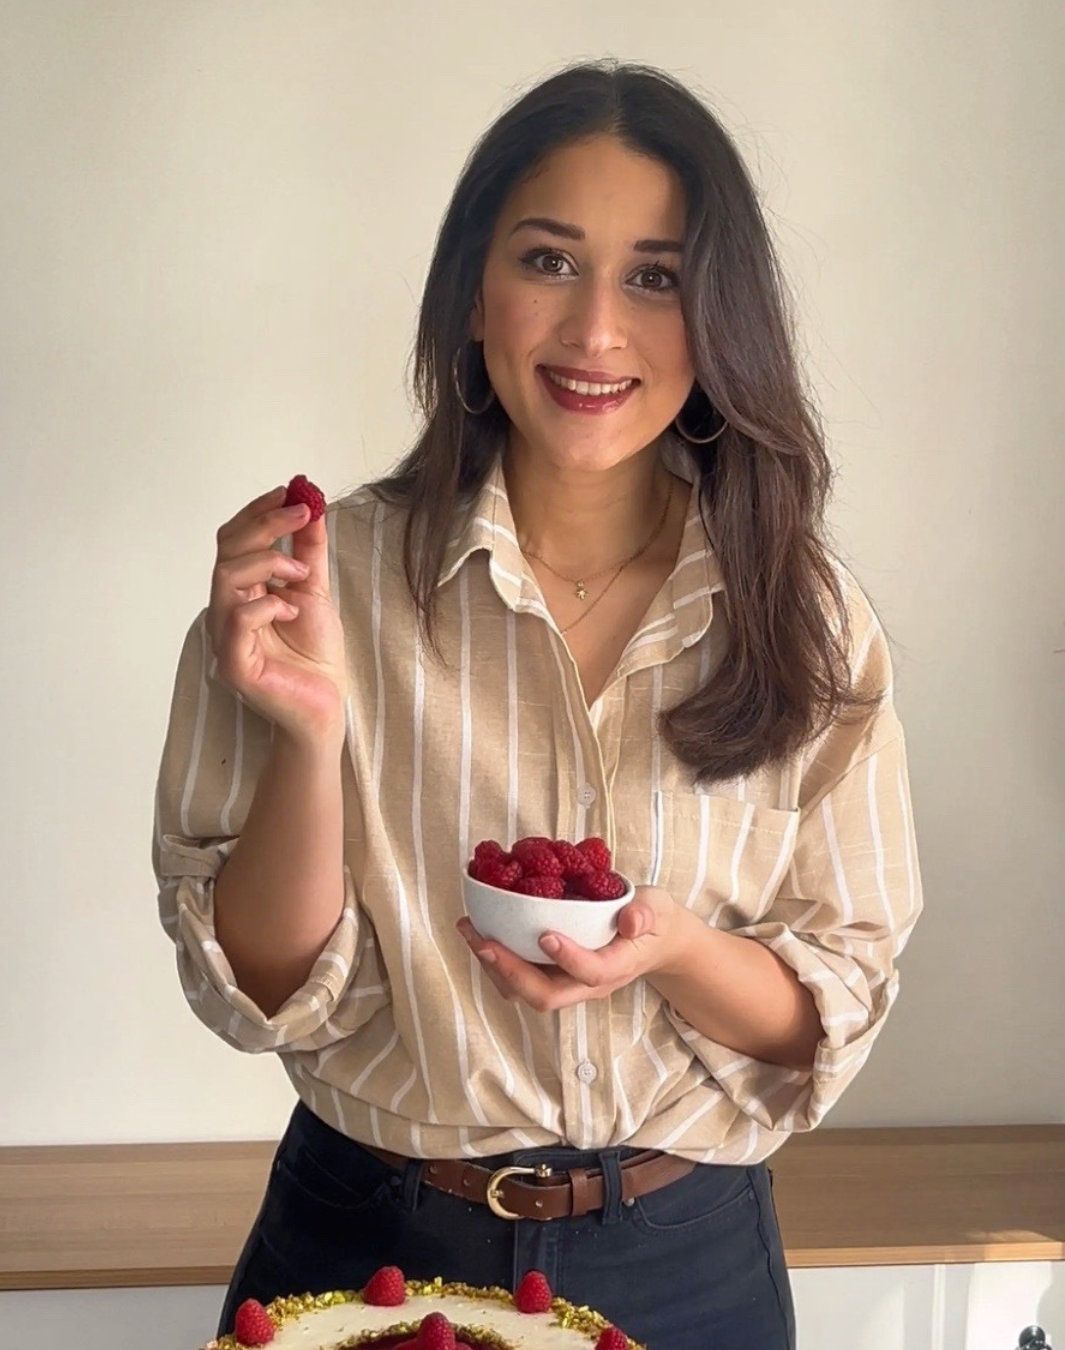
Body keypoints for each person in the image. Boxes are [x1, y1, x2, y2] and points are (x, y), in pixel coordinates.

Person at [152, 59, 923, 1350]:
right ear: (472, 291)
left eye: (656, 277)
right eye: (551, 261)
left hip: (687, 1263)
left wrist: (675, 949)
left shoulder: (808, 617)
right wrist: (312, 734)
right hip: (372, 1241)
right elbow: (262, 990)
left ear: (719, 316)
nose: (597, 330)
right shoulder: (311, 582)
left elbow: (826, 1008)